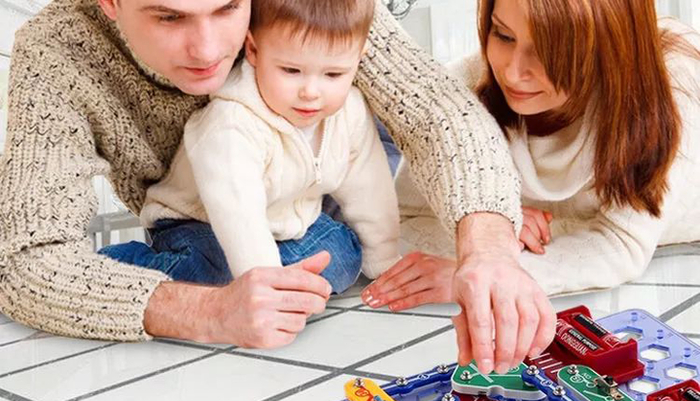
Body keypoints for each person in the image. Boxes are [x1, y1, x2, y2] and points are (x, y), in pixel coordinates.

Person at [0, 0, 554, 373]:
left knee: (338, 251)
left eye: (228, 8)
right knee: (230, 270)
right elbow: (27, 261)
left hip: (297, 203)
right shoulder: (56, 51)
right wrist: (210, 312)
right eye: (169, 17)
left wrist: (489, 249)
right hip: (191, 223)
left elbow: (440, 112)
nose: (208, 50)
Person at [365, 0, 700, 359]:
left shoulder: (669, 81)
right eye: (503, 35)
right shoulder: (468, 88)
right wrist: (496, 222)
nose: (513, 72)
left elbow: (622, 244)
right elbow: (404, 222)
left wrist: (485, 272)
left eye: (547, 51)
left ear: (608, 50)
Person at [101, 0, 401, 295]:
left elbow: (369, 187)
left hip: (287, 224)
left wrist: (385, 260)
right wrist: (264, 287)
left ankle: (280, 274)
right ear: (254, 51)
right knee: (217, 271)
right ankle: (119, 264)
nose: (311, 92)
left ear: (358, 59)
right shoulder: (231, 123)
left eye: (333, 74)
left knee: (343, 256)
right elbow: (238, 215)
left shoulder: (350, 113)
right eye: (291, 71)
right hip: (198, 223)